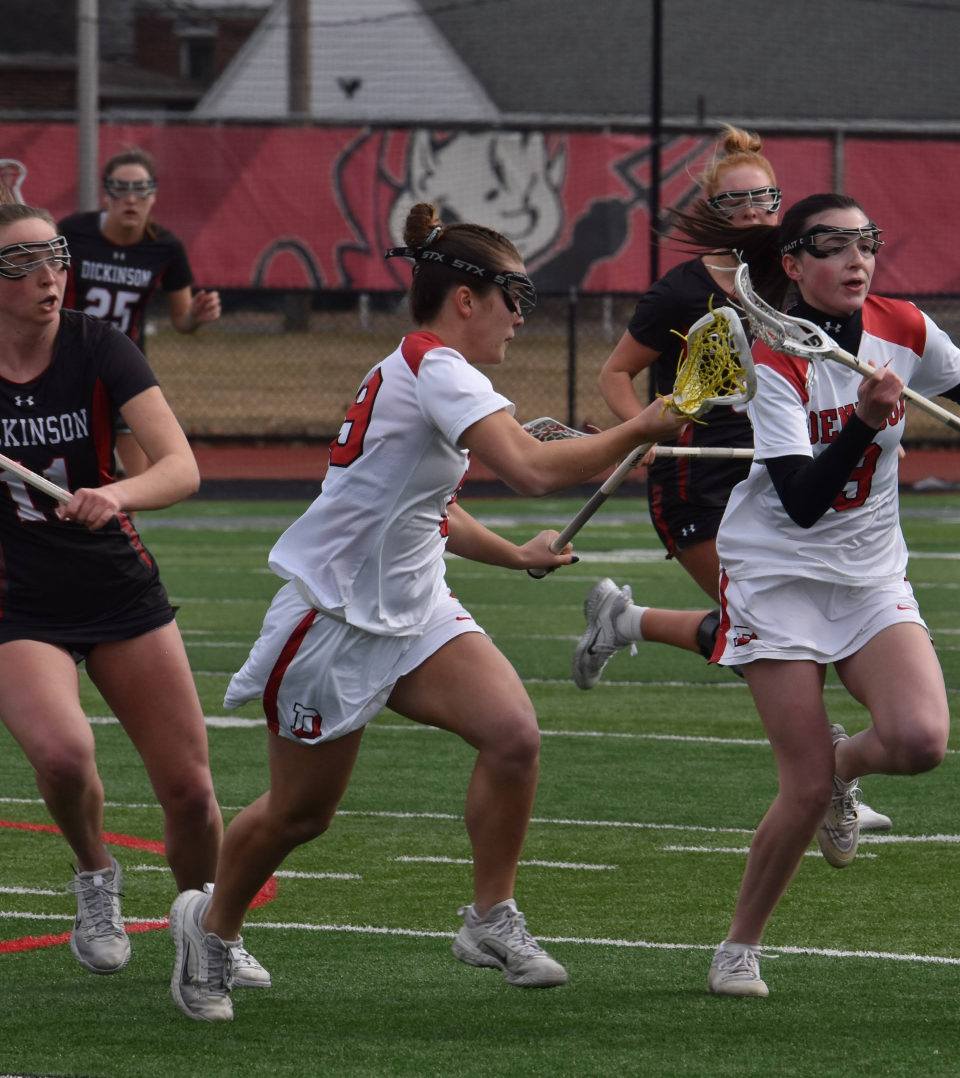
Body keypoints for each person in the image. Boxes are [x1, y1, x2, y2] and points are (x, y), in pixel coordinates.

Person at [170, 203, 689, 1022]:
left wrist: (515, 553)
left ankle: (488, 919)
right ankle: (210, 924)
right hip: (333, 618)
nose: (522, 317)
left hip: (416, 609)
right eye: (514, 297)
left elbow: (431, 510)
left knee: (514, 736)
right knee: (302, 814)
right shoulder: (436, 368)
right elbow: (528, 469)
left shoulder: (431, 370)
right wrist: (640, 427)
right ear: (467, 299)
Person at [675, 193, 960, 998]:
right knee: (796, 788)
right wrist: (866, 425)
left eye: (866, 241)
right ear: (792, 266)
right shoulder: (774, 358)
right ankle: (738, 946)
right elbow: (799, 500)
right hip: (776, 575)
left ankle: (844, 769)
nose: (856, 259)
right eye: (831, 246)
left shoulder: (900, 324)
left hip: (870, 572)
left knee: (918, 741)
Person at [583, 127, 893, 829]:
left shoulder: (793, 279)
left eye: (768, 197)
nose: (756, 210)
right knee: (765, 632)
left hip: (779, 476)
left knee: (773, 628)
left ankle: (626, 620)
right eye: (739, 200)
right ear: (712, 209)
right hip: (700, 479)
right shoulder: (681, 292)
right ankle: (828, 777)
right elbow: (615, 374)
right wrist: (645, 434)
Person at [0, 194, 253, 984]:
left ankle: (208, 929)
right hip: (18, 600)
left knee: (188, 788)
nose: (48, 276)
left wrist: (117, 494)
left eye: (55, 258)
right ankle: (95, 876)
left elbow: (181, 467)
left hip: (115, 587)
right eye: (23, 263)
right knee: (66, 754)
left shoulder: (98, 345)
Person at [58, 148, 221, 479]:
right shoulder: (72, 232)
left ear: (154, 195)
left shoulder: (165, 247)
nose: (130, 199)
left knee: (134, 482)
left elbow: (181, 320)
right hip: (65, 359)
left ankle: (122, 530)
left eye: (140, 189)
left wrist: (196, 317)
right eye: (120, 188)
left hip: (120, 364)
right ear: (106, 192)